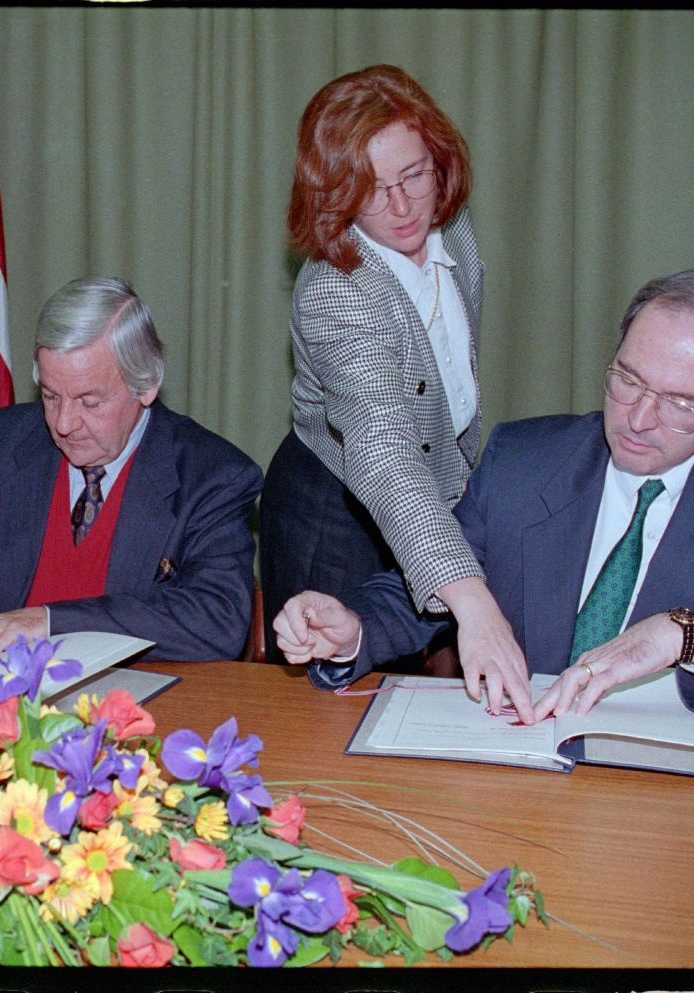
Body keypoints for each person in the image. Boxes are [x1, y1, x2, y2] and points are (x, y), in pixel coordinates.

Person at [275, 270, 694, 727]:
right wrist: (352, 631)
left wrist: (685, 638)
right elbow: (433, 588)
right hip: (523, 757)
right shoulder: (525, 461)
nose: (639, 420)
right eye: (627, 379)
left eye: (681, 403)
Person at [259, 64, 527, 711]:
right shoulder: (334, 293)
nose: (405, 207)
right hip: (337, 508)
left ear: (440, 163)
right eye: (374, 190)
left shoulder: (452, 227)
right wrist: (473, 600)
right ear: (335, 195)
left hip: (430, 485)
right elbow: (381, 451)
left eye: (414, 175)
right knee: (332, 707)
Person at [0, 276, 264, 667]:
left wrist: (50, 621)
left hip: (135, 705)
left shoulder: (213, 475)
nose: (64, 423)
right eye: (51, 397)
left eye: (90, 402)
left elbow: (217, 618)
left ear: (145, 386)